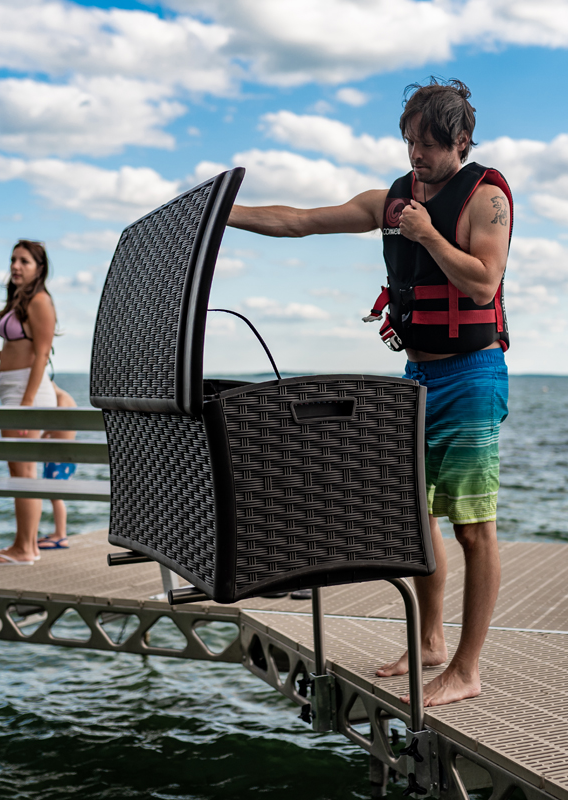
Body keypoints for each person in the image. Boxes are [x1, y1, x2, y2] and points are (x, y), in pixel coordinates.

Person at [227, 79, 511, 707]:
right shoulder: (392, 198)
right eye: (409, 142)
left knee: (473, 528)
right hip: (418, 377)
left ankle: (467, 669)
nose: (415, 156)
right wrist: (225, 214)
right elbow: (300, 221)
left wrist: (429, 235)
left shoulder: (485, 196)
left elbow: (484, 286)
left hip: (471, 375)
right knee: (418, 514)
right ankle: (432, 640)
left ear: (461, 141)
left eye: (429, 146)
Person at [0, 239, 58, 565]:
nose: (16, 266)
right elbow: (12, 351)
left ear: (39, 268)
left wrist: (27, 405)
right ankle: (27, 546)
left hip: (27, 394)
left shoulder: (40, 301)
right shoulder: (19, 301)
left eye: (24, 261)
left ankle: (24, 549)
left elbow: (42, 354)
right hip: (13, 391)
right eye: (13, 260)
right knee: (19, 470)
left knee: (24, 473)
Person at [38, 382, 77, 550]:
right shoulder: (64, 397)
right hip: (60, 456)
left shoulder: (61, 398)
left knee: (56, 496)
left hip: (60, 457)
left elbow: (57, 422)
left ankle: (61, 535)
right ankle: (58, 532)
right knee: (53, 495)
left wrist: (44, 433)